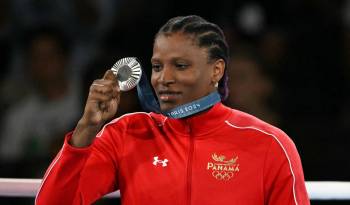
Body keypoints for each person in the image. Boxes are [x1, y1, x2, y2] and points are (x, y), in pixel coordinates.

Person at [35, 15, 310, 205]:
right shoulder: (128, 133)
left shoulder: (270, 144)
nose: (163, 78)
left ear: (216, 70)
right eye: (157, 67)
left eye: (180, 66)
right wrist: (85, 130)